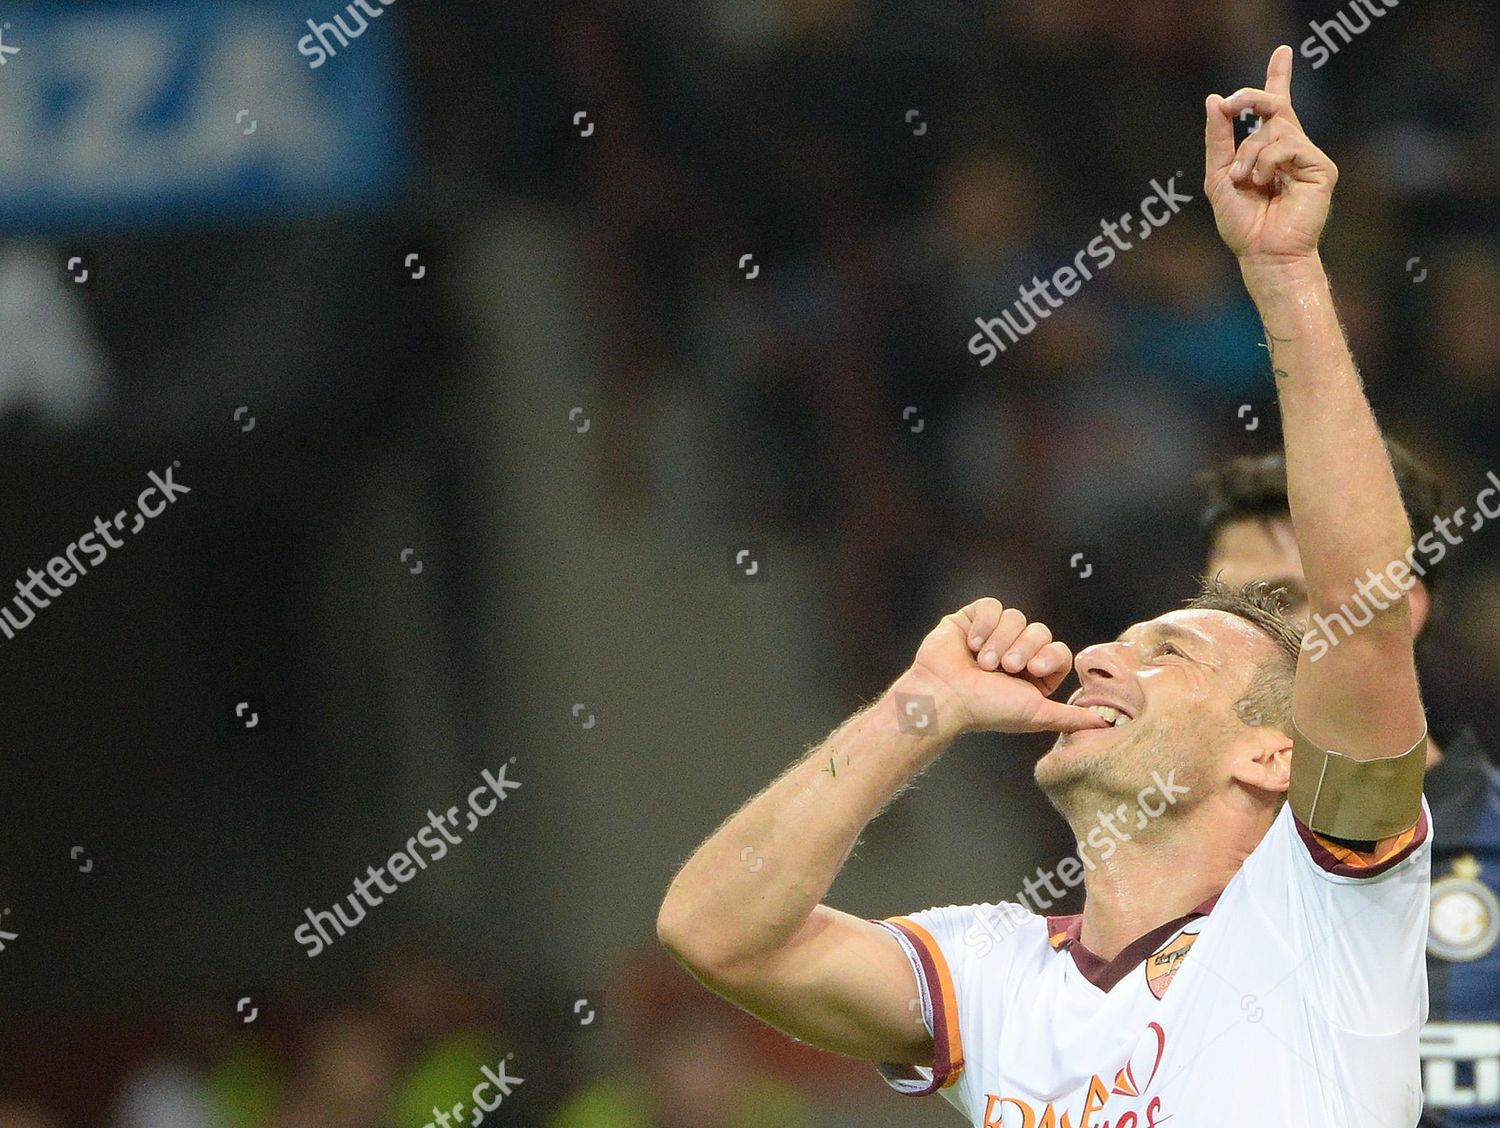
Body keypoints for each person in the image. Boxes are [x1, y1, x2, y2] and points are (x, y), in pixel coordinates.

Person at [657, 46, 1434, 1125]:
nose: (1100, 655)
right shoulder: (994, 973)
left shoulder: (1326, 907)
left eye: (1172, 652)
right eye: (1123, 639)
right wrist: (915, 710)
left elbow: (1362, 621)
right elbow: (717, 933)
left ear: (1273, 753)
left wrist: (1286, 278)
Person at [1200, 445, 1500, 1124]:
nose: (1247, 640)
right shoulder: (1185, 874)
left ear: (1401, 611)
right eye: (1222, 610)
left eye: (1283, 601)